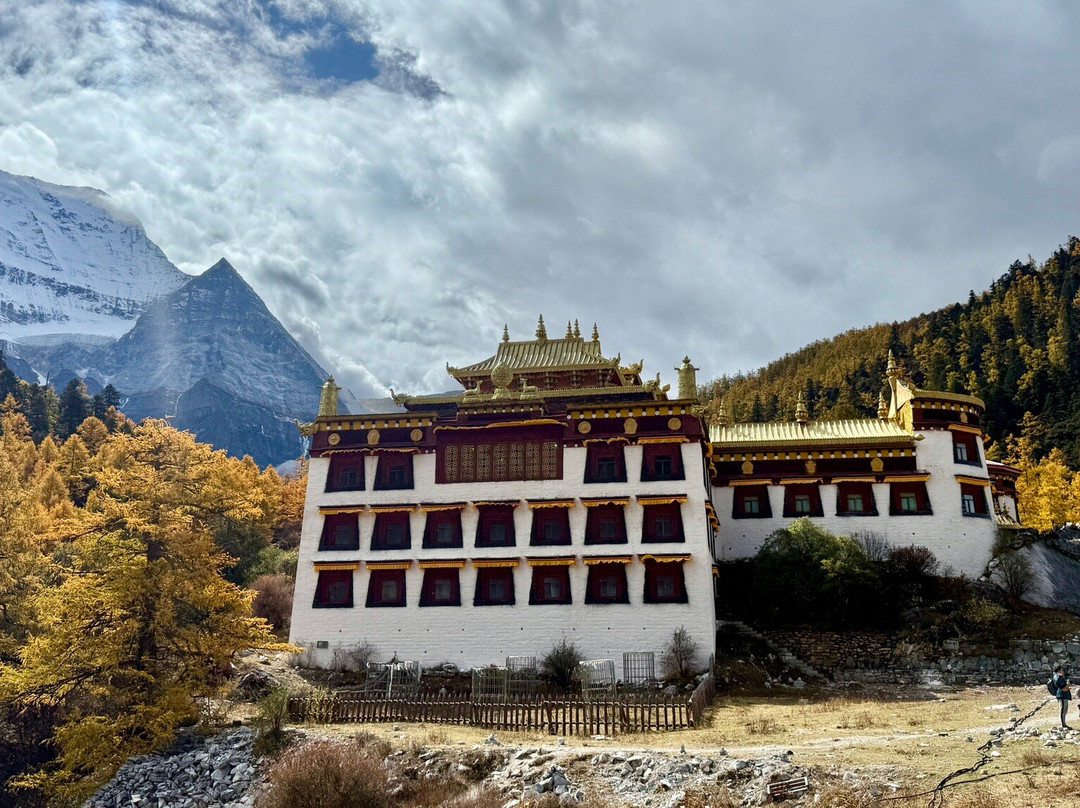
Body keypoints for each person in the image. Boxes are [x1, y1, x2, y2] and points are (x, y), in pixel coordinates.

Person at [1052, 665, 1071, 729]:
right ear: (1059, 670)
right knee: (1063, 710)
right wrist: (1068, 685)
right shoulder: (1058, 677)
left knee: (1065, 710)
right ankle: (1063, 724)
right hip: (1061, 695)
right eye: (1062, 670)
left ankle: (1064, 723)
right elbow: (1063, 688)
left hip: (1063, 695)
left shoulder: (1058, 677)